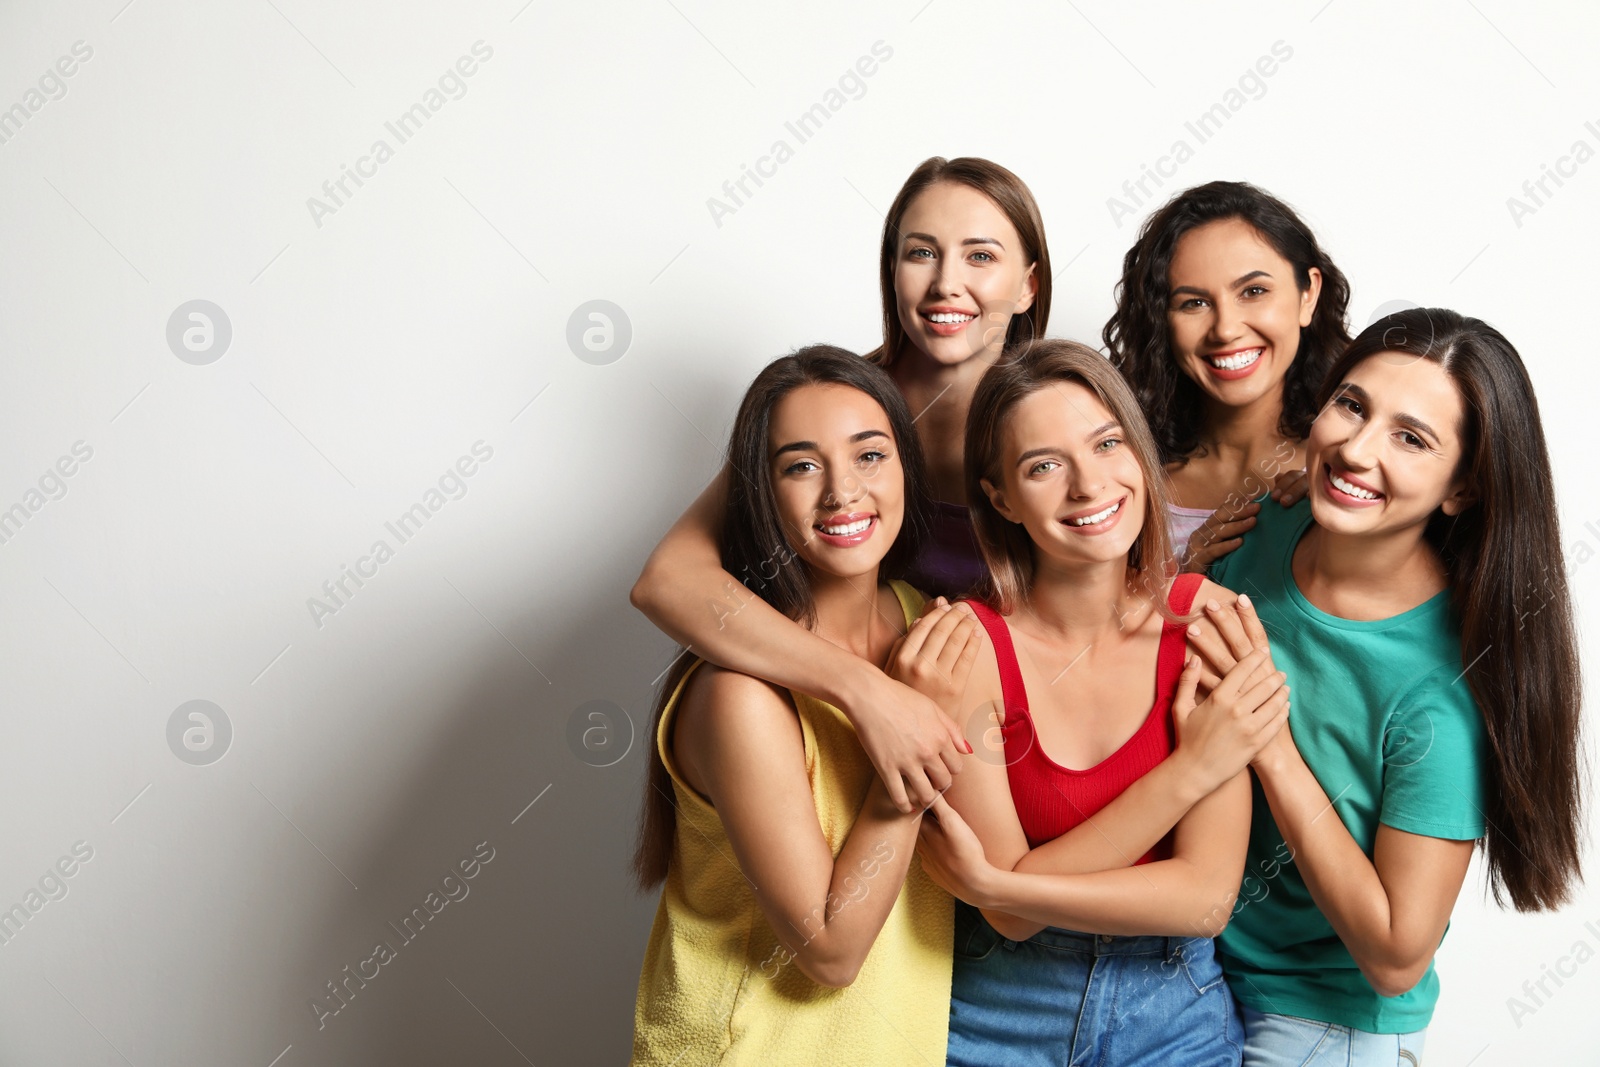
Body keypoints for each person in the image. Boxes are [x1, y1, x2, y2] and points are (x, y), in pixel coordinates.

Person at [1188, 308, 1584, 1064]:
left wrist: (1269, 744)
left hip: (1322, 1025)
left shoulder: (1443, 688)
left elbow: (1398, 954)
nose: (1356, 449)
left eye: (1412, 437)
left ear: (1461, 488)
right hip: (1188, 973)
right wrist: (1174, 572)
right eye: (1351, 405)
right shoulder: (1269, 522)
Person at [630, 156, 1052, 814]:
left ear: (1028, 285)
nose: (946, 283)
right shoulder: (832, 405)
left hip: (1005, 781)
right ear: (892, 270)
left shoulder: (1065, 420)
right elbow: (668, 582)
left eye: (979, 256)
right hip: (851, 771)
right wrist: (865, 690)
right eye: (921, 253)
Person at [913, 339, 1291, 1066]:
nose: (1089, 485)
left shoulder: (1208, 622)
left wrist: (1010, 884)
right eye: (1044, 466)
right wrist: (1191, 769)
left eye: (1107, 443)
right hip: (999, 1011)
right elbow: (1008, 921)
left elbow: (1205, 898)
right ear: (1000, 497)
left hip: (1171, 1006)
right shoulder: (967, 650)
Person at [630, 345, 979, 1065]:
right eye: (801, 465)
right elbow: (830, 948)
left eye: (870, 455)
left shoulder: (924, 621)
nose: (842, 492)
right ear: (760, 492)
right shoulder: (740, 694)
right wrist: (906, 752)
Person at [1104, 180, 1351, 571]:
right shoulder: (1121, 471)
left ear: (1308, 295)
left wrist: (1345, 508)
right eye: (1194, 303)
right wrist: (1184, 579)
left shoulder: (1354, 466)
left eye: (1253, 291)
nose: (1225, 329)